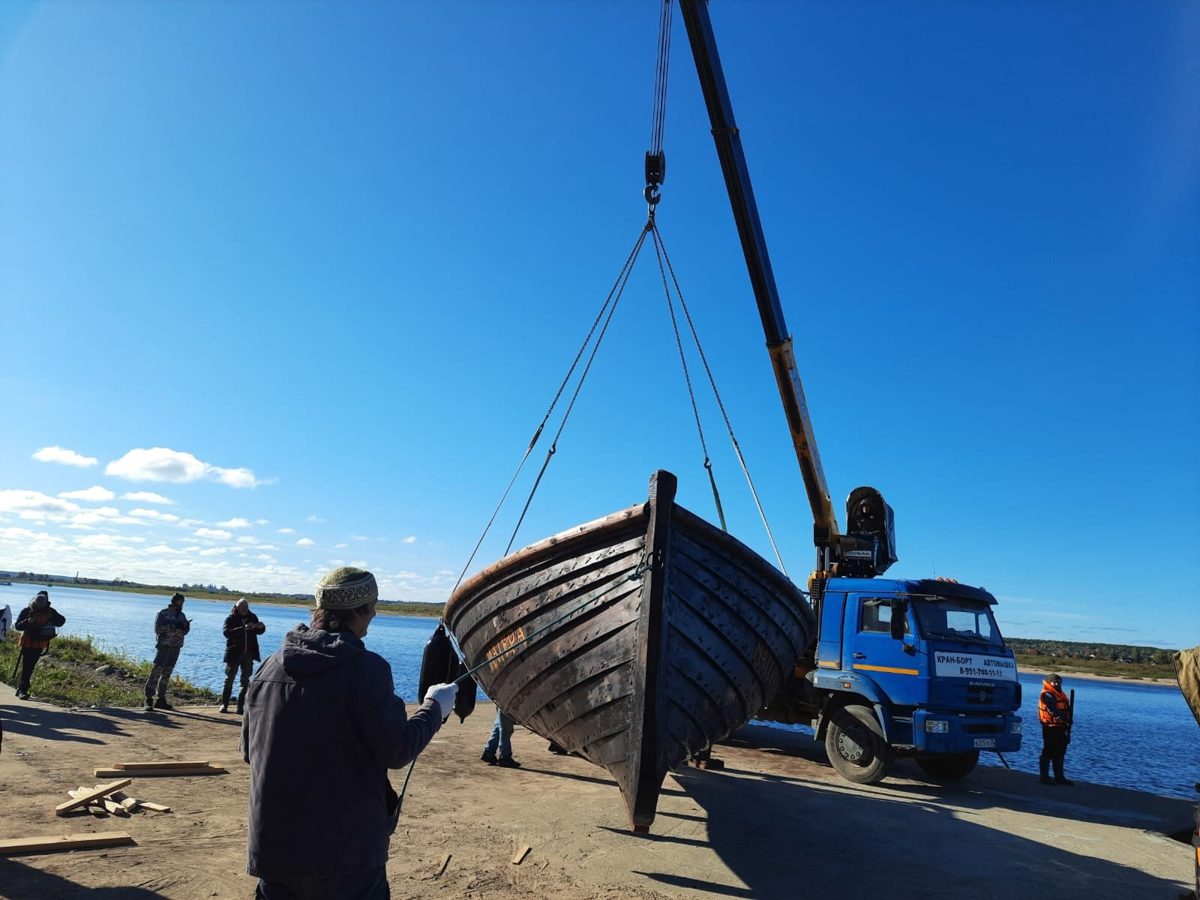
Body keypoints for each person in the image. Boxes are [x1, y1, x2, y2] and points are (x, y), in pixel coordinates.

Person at [242, 566, 458, 898]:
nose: (374, 615)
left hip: (274, 851)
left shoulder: (269, 666)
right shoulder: (366, 669)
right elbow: (398, 750)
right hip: (345, 857)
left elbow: (249, 751)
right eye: (373, 607)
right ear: (360, 611)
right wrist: (434, 708)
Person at [13, 591, 66, 700]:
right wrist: (28, 621)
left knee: (29, 666)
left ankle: (22, 688)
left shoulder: (50, 611)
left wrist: (51, 618)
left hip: (39, 642)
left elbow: (61, 621)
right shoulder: (27, 611)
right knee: (27, 666)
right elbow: (18, 626)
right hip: (28, 642)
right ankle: (23, 689)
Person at [144, 592, 190, 712]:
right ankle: (149, 699)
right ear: (174, 601)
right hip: (164, 646)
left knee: (167, 674)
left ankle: (161, 699)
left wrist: (185, 626)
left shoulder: (182, 615)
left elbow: (185, 632)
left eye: (182, 602)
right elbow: (158, 629)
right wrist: (173, 626)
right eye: (179, 601)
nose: (181, 604)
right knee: (156, 672)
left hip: (176, 647)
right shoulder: (163, 613)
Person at [220, 598, 266, 714]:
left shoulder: (253, 617)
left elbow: (260, 631)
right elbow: (226, 633)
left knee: (245, 681)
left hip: (248, 654)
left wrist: (259, 626)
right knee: (229, 679)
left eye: (246, 607)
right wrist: (242, 629)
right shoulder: (230, 618)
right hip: (233, 654)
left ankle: (240, 707)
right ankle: (224, 704)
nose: (244, 609)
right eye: (242, 607)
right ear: (237, 607)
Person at [1038, 672, 1074, 786]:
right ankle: (1044, 777)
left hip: (1061, 726)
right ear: (1049, 683)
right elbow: (1052, 711)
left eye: (1059, 682)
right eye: (1055, 682)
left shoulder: (1060, 694)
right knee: (1049, 751)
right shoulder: (1048, 694)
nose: (1057, 684)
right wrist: (1065, 719)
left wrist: (1067, 721)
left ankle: (1059, 777)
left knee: (1060, 751)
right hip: (1050, 727)